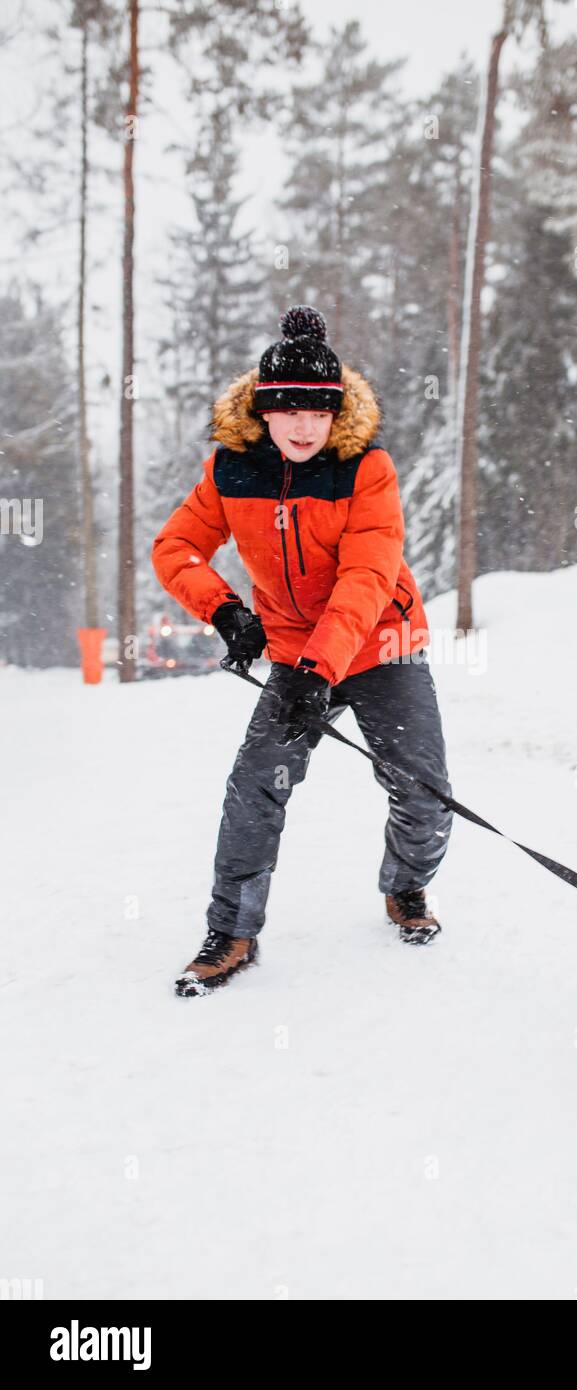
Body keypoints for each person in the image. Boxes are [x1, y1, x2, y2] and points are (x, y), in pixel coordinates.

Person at [152, 306, 453, 997]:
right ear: (262, 411)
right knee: (256, 786)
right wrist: (227, 612)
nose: (302, 424)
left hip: (381, 642)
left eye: (318, 410)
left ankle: (406, 886)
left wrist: (320, 670)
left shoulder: (365, 470)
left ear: (335, 412)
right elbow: (174, 549)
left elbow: (367, 576)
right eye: (286, 408)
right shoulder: (232, 470)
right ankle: (232, 932)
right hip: (294, 651)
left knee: (425, 792)